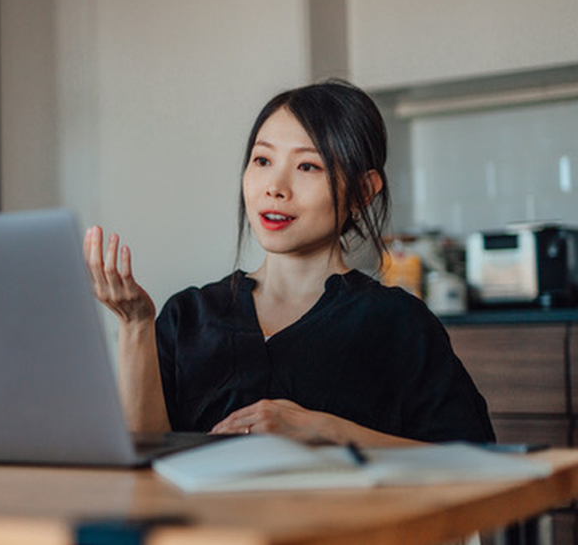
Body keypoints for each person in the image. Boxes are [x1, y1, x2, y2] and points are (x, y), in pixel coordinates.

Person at [83, 80, 494, 448]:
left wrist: (327, 429)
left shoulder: (399, 323)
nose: (275, 188)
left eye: (308, 166)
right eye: (262, 161)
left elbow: (475, 465)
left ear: (363, 192)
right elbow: (145, 468)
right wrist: (135, 324)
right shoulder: (185, 317)